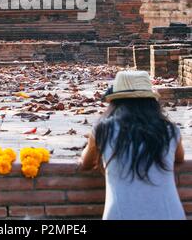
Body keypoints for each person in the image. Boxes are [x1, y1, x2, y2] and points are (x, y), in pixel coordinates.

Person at [79, 70, 186, 220]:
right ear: (151, 102)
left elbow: (85, 163)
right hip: (170, 214)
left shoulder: (103, 129)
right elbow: (179, 158)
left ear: (115, 102)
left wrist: (93, 143)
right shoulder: (169, 130)